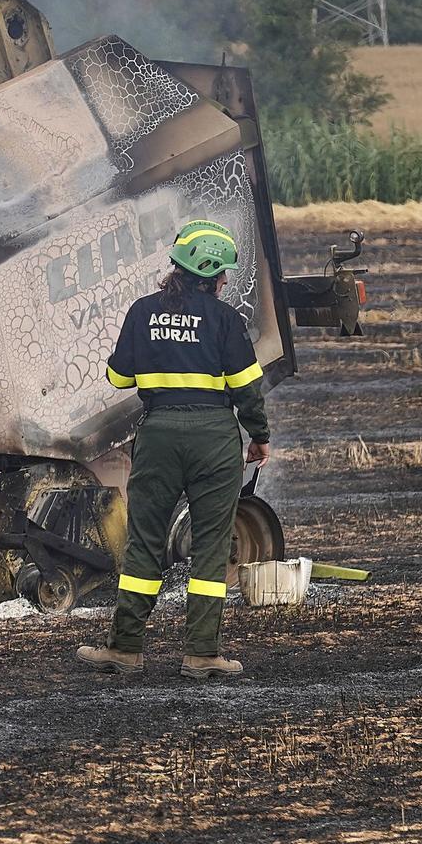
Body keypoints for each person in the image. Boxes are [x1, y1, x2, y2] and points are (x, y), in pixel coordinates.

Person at [76, 219, 272, 680]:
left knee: (144, 540)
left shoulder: (143, 312)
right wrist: (259, 437)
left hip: (159, 434)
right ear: (211, 274)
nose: (224, 282)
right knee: (210, 545)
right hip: (214, 439)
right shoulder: (226, 321)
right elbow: (247, 389)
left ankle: (125, 648)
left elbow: (119, 378)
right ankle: (202, 654)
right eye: (223, 274)